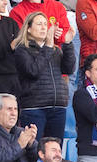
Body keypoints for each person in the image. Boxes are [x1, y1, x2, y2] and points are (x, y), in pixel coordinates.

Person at [14, 11, 75, 139]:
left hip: (57, 107)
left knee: (54, 151)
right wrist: (47, 46)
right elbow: (33, 71)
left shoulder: (54, 50)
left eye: (45, 24)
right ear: (29, 29)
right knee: (33, 150)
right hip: (34, 108)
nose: (43, 27)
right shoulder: (22, 49)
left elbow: (69, 69)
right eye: (39, 24)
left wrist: (68, 44)